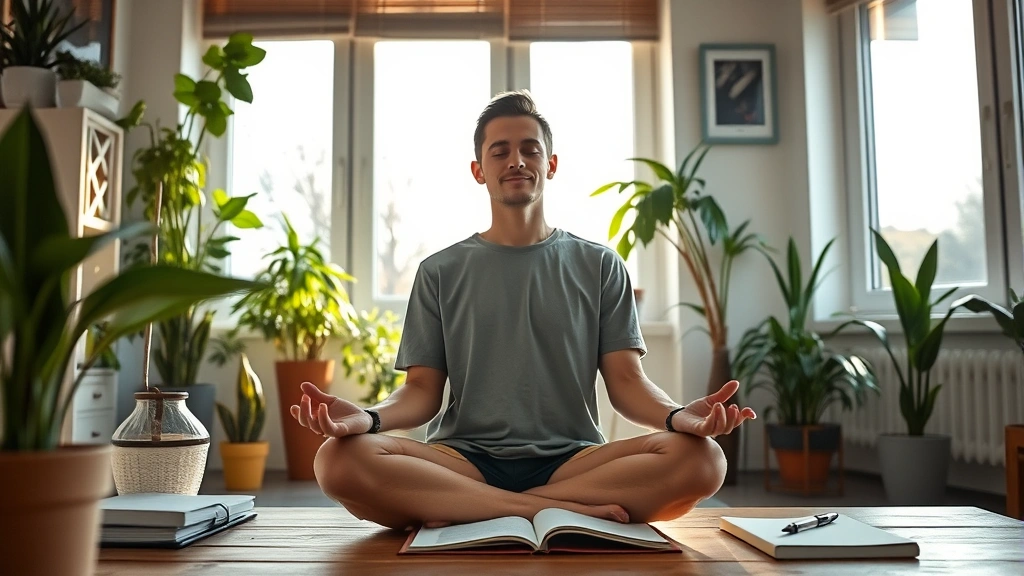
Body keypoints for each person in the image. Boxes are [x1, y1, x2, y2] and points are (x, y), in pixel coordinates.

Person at [290, 90, 757, 531]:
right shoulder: (439, 271)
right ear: (478, 170)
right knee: (336, 459)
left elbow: (627, 384)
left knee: (705, 459)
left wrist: (680, 418)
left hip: (574, 462)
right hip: (462, 461)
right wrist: (367, 419)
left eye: (530, 150)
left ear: (550, 165)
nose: (516, 160)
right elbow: (420, 392)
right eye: (500, 151)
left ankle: (471, 510)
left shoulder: (599, 265)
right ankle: (549, 511)